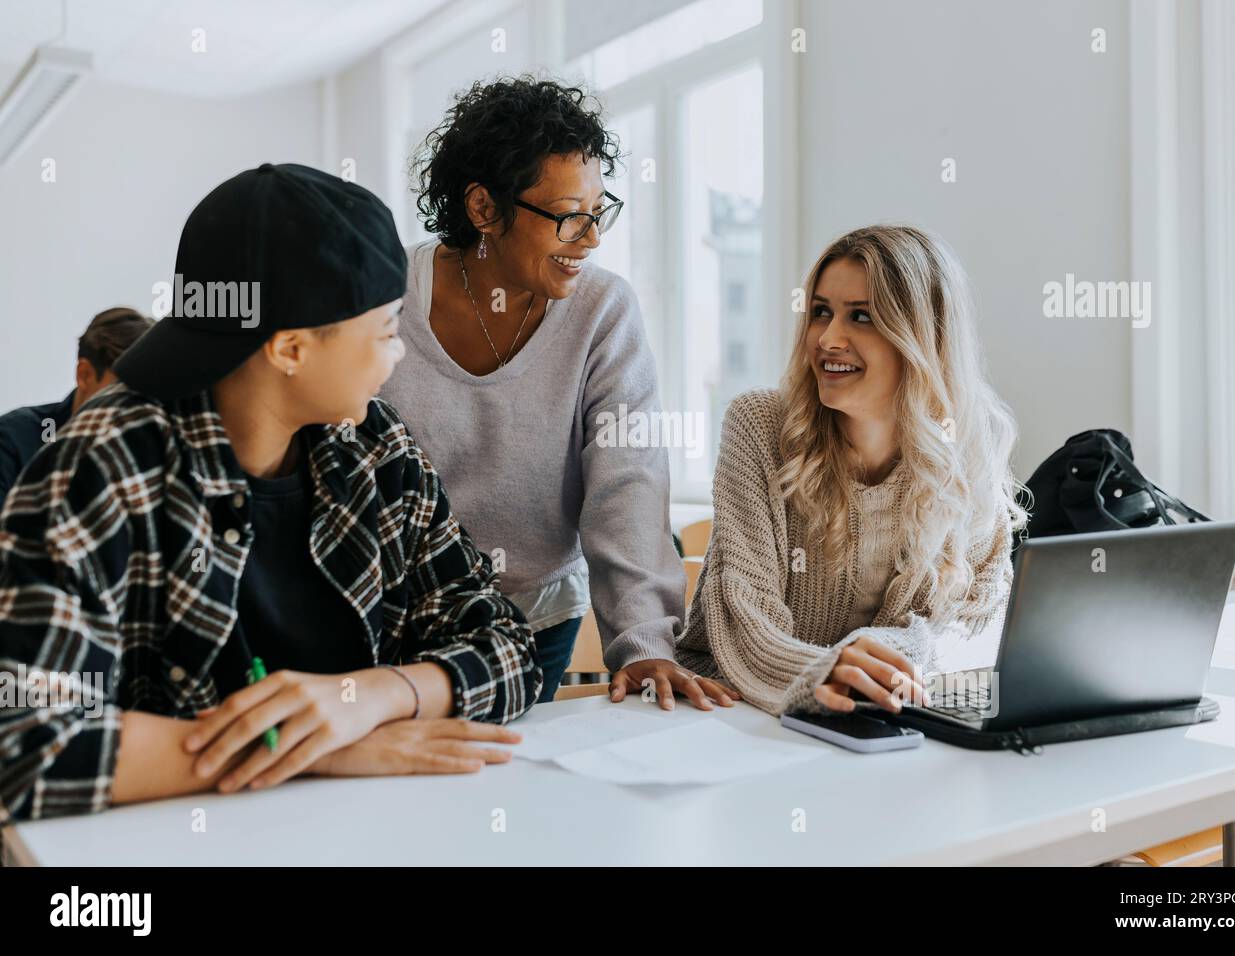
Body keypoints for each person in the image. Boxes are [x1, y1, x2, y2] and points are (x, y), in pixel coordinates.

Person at [0, 163, 541, 822]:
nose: (396, 355)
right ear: (289, 349)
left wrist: (369, 698)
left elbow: (509, 647)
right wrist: (307, 750)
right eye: (386, 330)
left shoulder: (377, 450)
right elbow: (23, 743)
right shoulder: (99, 468)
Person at [383, 76, 736, 709]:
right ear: (484, 209)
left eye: (599, 214)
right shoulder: (389, 298)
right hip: (396, 618)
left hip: (534, 619)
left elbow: (625, 481)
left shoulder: (604, 310)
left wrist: (644, 642)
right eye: (569, 217)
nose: (592, 238)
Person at [676, 225, 1028, 716]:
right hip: (739, 710)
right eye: (821, 312)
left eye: (861, 317)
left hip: (890, 712)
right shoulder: (758, 426)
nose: (828, 339)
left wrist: (879, 660)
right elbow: (746, 622)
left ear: (925, 338)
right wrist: (829, 670)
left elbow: (982, 623)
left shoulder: (971, 440)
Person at [0, 307, 153, 501]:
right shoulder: (14, 439)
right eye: (120, 393)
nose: (132, 409)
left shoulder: (155, 454)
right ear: (85, 374)